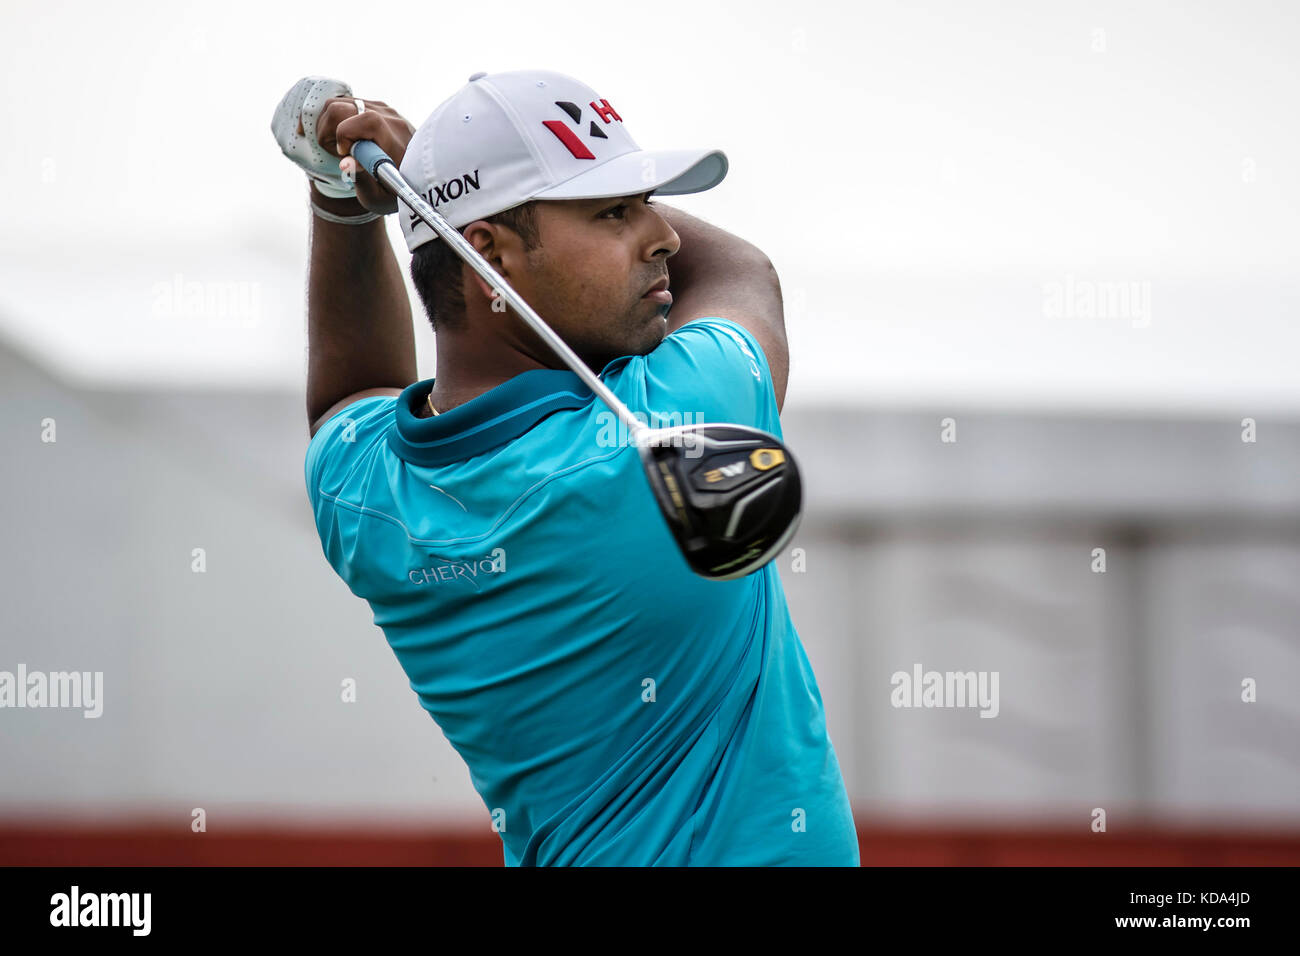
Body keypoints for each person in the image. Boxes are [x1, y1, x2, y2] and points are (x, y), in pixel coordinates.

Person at [271, 70, 859, 866]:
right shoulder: (677, 407)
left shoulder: (367, 493)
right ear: (490, 257)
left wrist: (352, 202)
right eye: (615, 211)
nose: (665, 236)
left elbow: (352, 394)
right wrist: (426, 196)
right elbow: (741, 273)